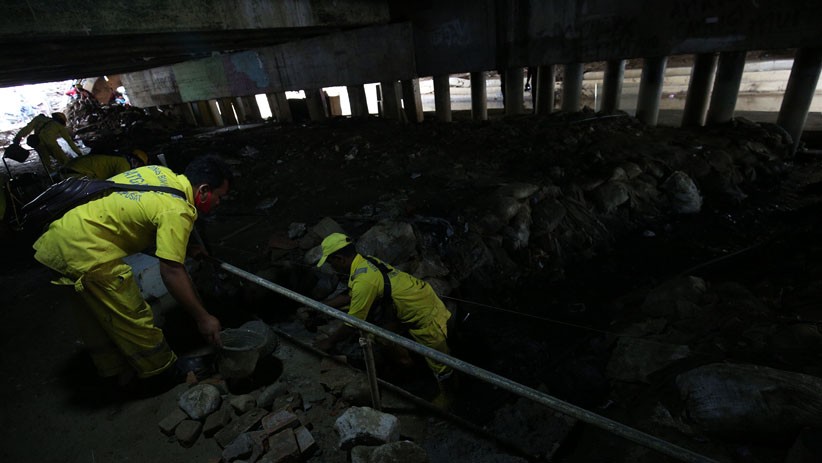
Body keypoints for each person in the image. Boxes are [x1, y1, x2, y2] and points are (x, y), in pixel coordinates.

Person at [32, 155, 232, 394]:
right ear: (204, 191)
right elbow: (171, 272)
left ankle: (114, 370)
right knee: (131, 314)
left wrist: (184, 247)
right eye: (220, 197)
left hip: (62, 237)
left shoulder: (160, 174)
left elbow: (143, 214)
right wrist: (203, 318)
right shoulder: (178, 210)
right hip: (86, 250)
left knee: (96, 315)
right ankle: (162, 371)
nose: (219, 203)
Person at [314, 233, 455, 404]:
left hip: (423, 311)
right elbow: (352, 296)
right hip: (409, 302)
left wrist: (329, 342)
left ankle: (448, 399)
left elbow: (352, 324)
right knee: (382, 337)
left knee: (440, 362)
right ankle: (406, 363)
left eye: (331, 262)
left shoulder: (364, 281)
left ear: (340, 259)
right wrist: (320, 306)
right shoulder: (366, 261)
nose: (332, 267)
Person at [12, 112, 84, 170]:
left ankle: (50, 176)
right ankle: (69, 175)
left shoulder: (39, 119)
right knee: (65, 162)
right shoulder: (59, 126)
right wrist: (79, 153)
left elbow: (27, 129)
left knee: (47, 164)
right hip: (52, 145)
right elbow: (69, 141)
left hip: (38, 144)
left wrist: (18, 137)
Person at [61, 149, 149, 180]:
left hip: (71, 168)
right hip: (76, 174)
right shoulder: (124, 164)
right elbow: (120, 184)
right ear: (136, 161)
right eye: (140, 165)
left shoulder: (119, 158)